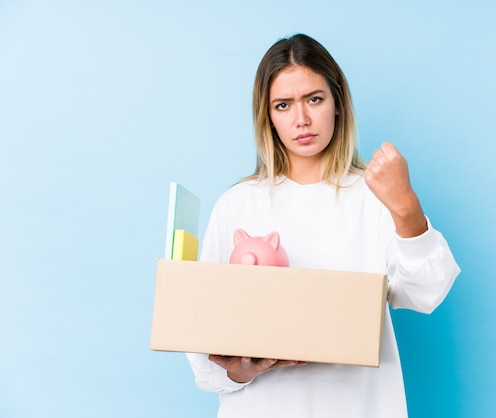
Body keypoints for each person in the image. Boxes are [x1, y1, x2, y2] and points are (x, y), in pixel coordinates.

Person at [186, 33, 460, 418]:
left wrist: (406, 207)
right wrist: (237, 371)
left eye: (314, 99)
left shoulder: (374, 197)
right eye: (283, 105)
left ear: (337, 105)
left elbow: (426, 292)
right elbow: (201, 346)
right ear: (268, 117)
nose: (302, 119)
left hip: (360, 406)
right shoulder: (237, 204)